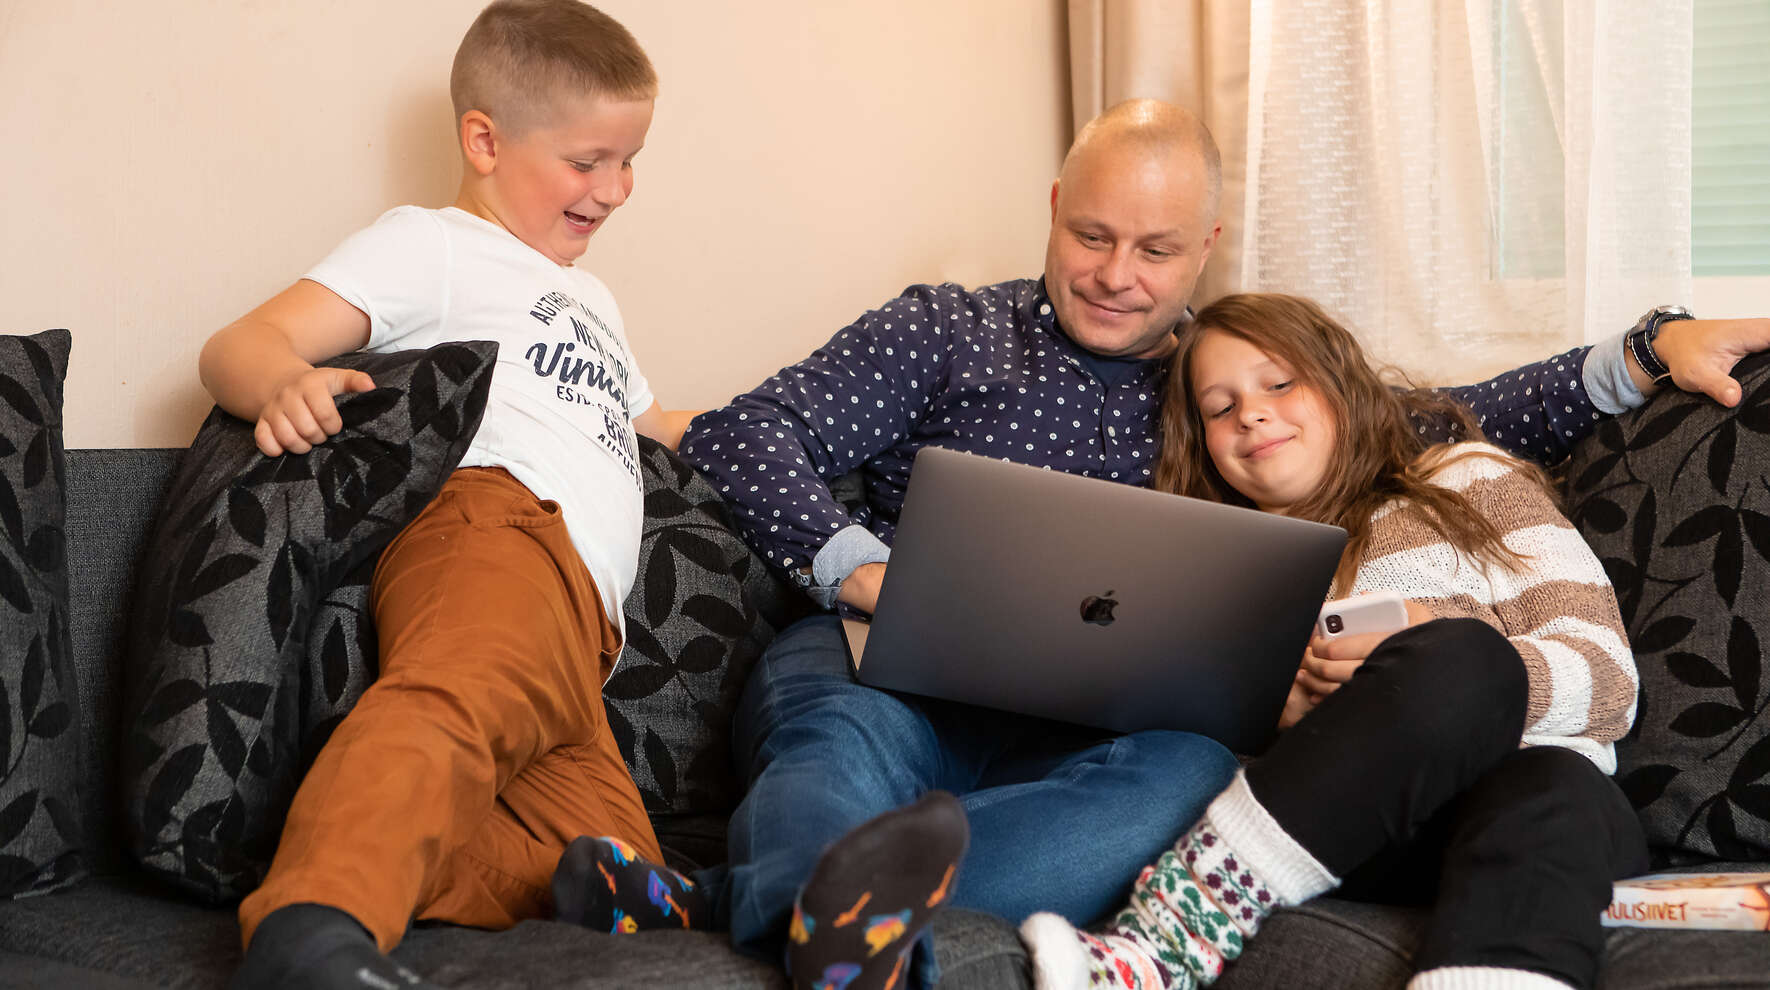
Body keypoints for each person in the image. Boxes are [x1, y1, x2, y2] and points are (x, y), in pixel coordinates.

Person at [550, 99, 1765, 990]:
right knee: (836, 748)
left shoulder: (1226, 391)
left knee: (1189, 775)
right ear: (1052, 211)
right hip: (888, 658)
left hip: (1099, 730)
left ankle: (729, 904)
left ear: (1208, 246)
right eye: (1092, 236)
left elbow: (1450, 420)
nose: (1117, 277)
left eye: (1157, 250)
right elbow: (748, 429)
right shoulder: (946, 333)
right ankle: (826, 919)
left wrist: (1642, 350)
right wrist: (860, 567)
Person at [197, 3, 697, 987]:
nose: (615, 189)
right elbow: (239, 345)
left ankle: (337, 841)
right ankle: (310, 928)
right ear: (484, 141)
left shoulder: (591, 301)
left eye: (631, 161)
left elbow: (652, 426)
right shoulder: (436, 246)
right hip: (495, 529)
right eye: (588, 161)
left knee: (611, 862)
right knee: (455, 704)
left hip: (585, 633)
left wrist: (779, 429)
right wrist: (283, 381)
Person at [1019, 292, 1648, 990]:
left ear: (1342, 385)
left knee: (1528, 747)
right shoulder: (1220, 569)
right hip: (1354, 832)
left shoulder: (1467, 478)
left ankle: (1166, 940)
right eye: (1220, 408)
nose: (1251, 414)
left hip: (1544, 812)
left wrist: (1426, 652)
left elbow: (1610, 680)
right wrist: (1276, 713)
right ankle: (1166, 940)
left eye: (1280, 383)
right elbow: (1176, 754)